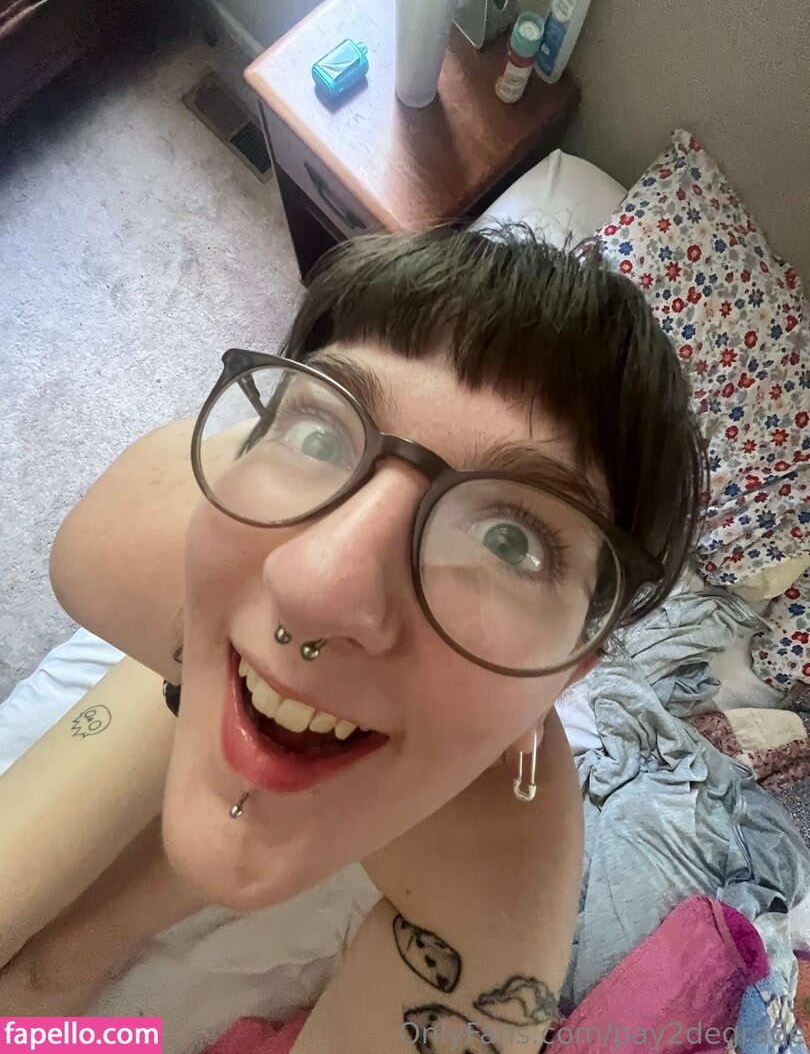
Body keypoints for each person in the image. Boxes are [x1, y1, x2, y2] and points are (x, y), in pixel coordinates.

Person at [1, 224, 706, 1049]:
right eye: (320, 435)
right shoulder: (124, 548)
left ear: (570, 676)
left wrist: (61, 996)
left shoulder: (499, 860)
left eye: (509, 541)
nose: (318, 585)